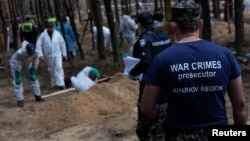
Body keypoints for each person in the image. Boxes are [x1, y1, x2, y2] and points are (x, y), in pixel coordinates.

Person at [141, 1, 248, 141]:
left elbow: (147, 107)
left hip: (178, 134)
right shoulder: (225, 55)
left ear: (174, 27)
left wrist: (161, 115)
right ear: (201, 24)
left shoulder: (162, 59)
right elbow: (240, 106)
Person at [127, 11, 171, 140]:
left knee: (144, 127)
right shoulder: (164, 35)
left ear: (140, 25)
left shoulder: (145, 40)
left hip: (150, 86)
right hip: (168, 85)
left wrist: (132, 73)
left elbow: (145, 61)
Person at [9, 41, 44, 107]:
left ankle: (38, 96)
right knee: (18, 82)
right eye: (29, 52)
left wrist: (33, 70)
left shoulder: (35, 53)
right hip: (15, 65)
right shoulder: (20, 53)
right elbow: (17, 63)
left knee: (33, 79)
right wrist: (18, 75)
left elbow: (35, 61)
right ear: (26, 50)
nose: (31, 54)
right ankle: (20, 100)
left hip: (27, 64)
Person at [36, 20, 67, 89]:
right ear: (47, 27)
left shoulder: (57, 34)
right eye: (49, 27)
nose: (51, 28)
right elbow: (38, 45)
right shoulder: (43, 35)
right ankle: (54, 83)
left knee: (59, 67)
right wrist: (40, 55)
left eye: (52, 27)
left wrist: (64, 54)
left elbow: (62, 44)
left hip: (57, 54)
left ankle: (61, 83)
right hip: (48, 55)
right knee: (51, 69)